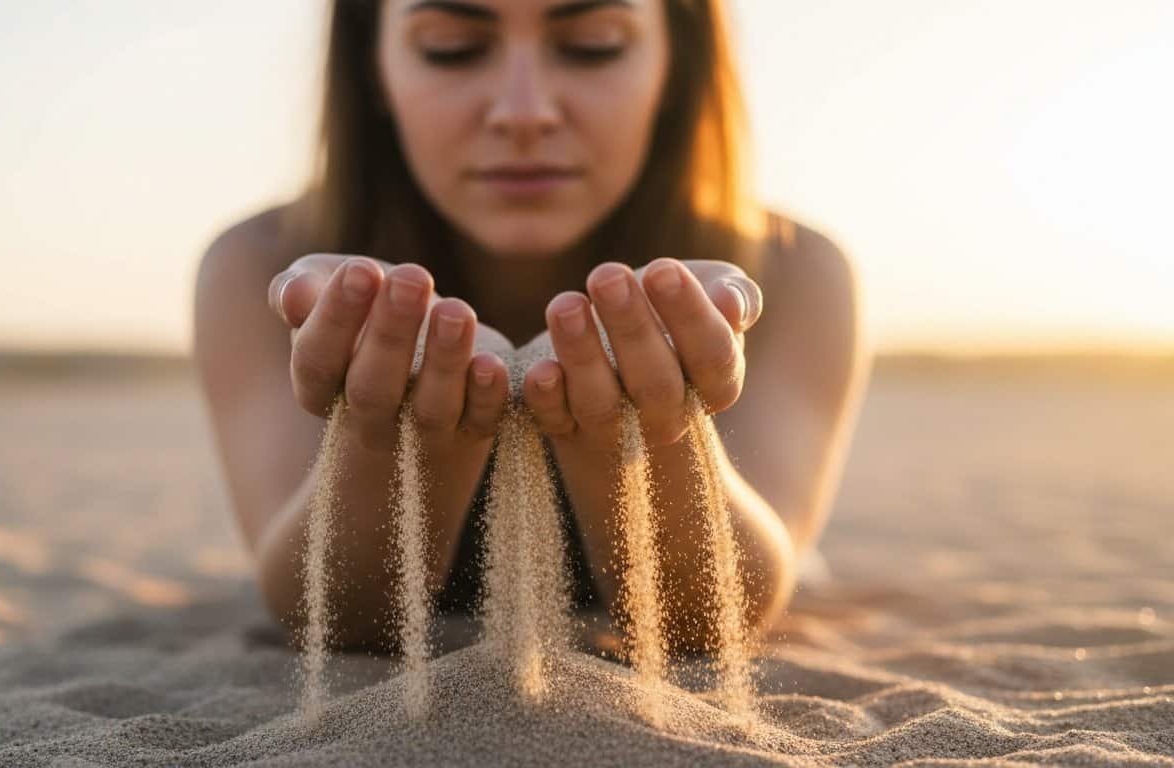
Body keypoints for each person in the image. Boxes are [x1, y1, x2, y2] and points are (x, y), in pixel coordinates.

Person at [193, 0, 870, 654]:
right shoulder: (257, 268)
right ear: (374, 66)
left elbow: (714, 619)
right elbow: (335, 619)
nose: (524, 113)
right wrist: (399, 443)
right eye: (451, 49)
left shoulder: (794, 271)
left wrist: (650, 432)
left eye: (593, 45)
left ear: (676, 62)